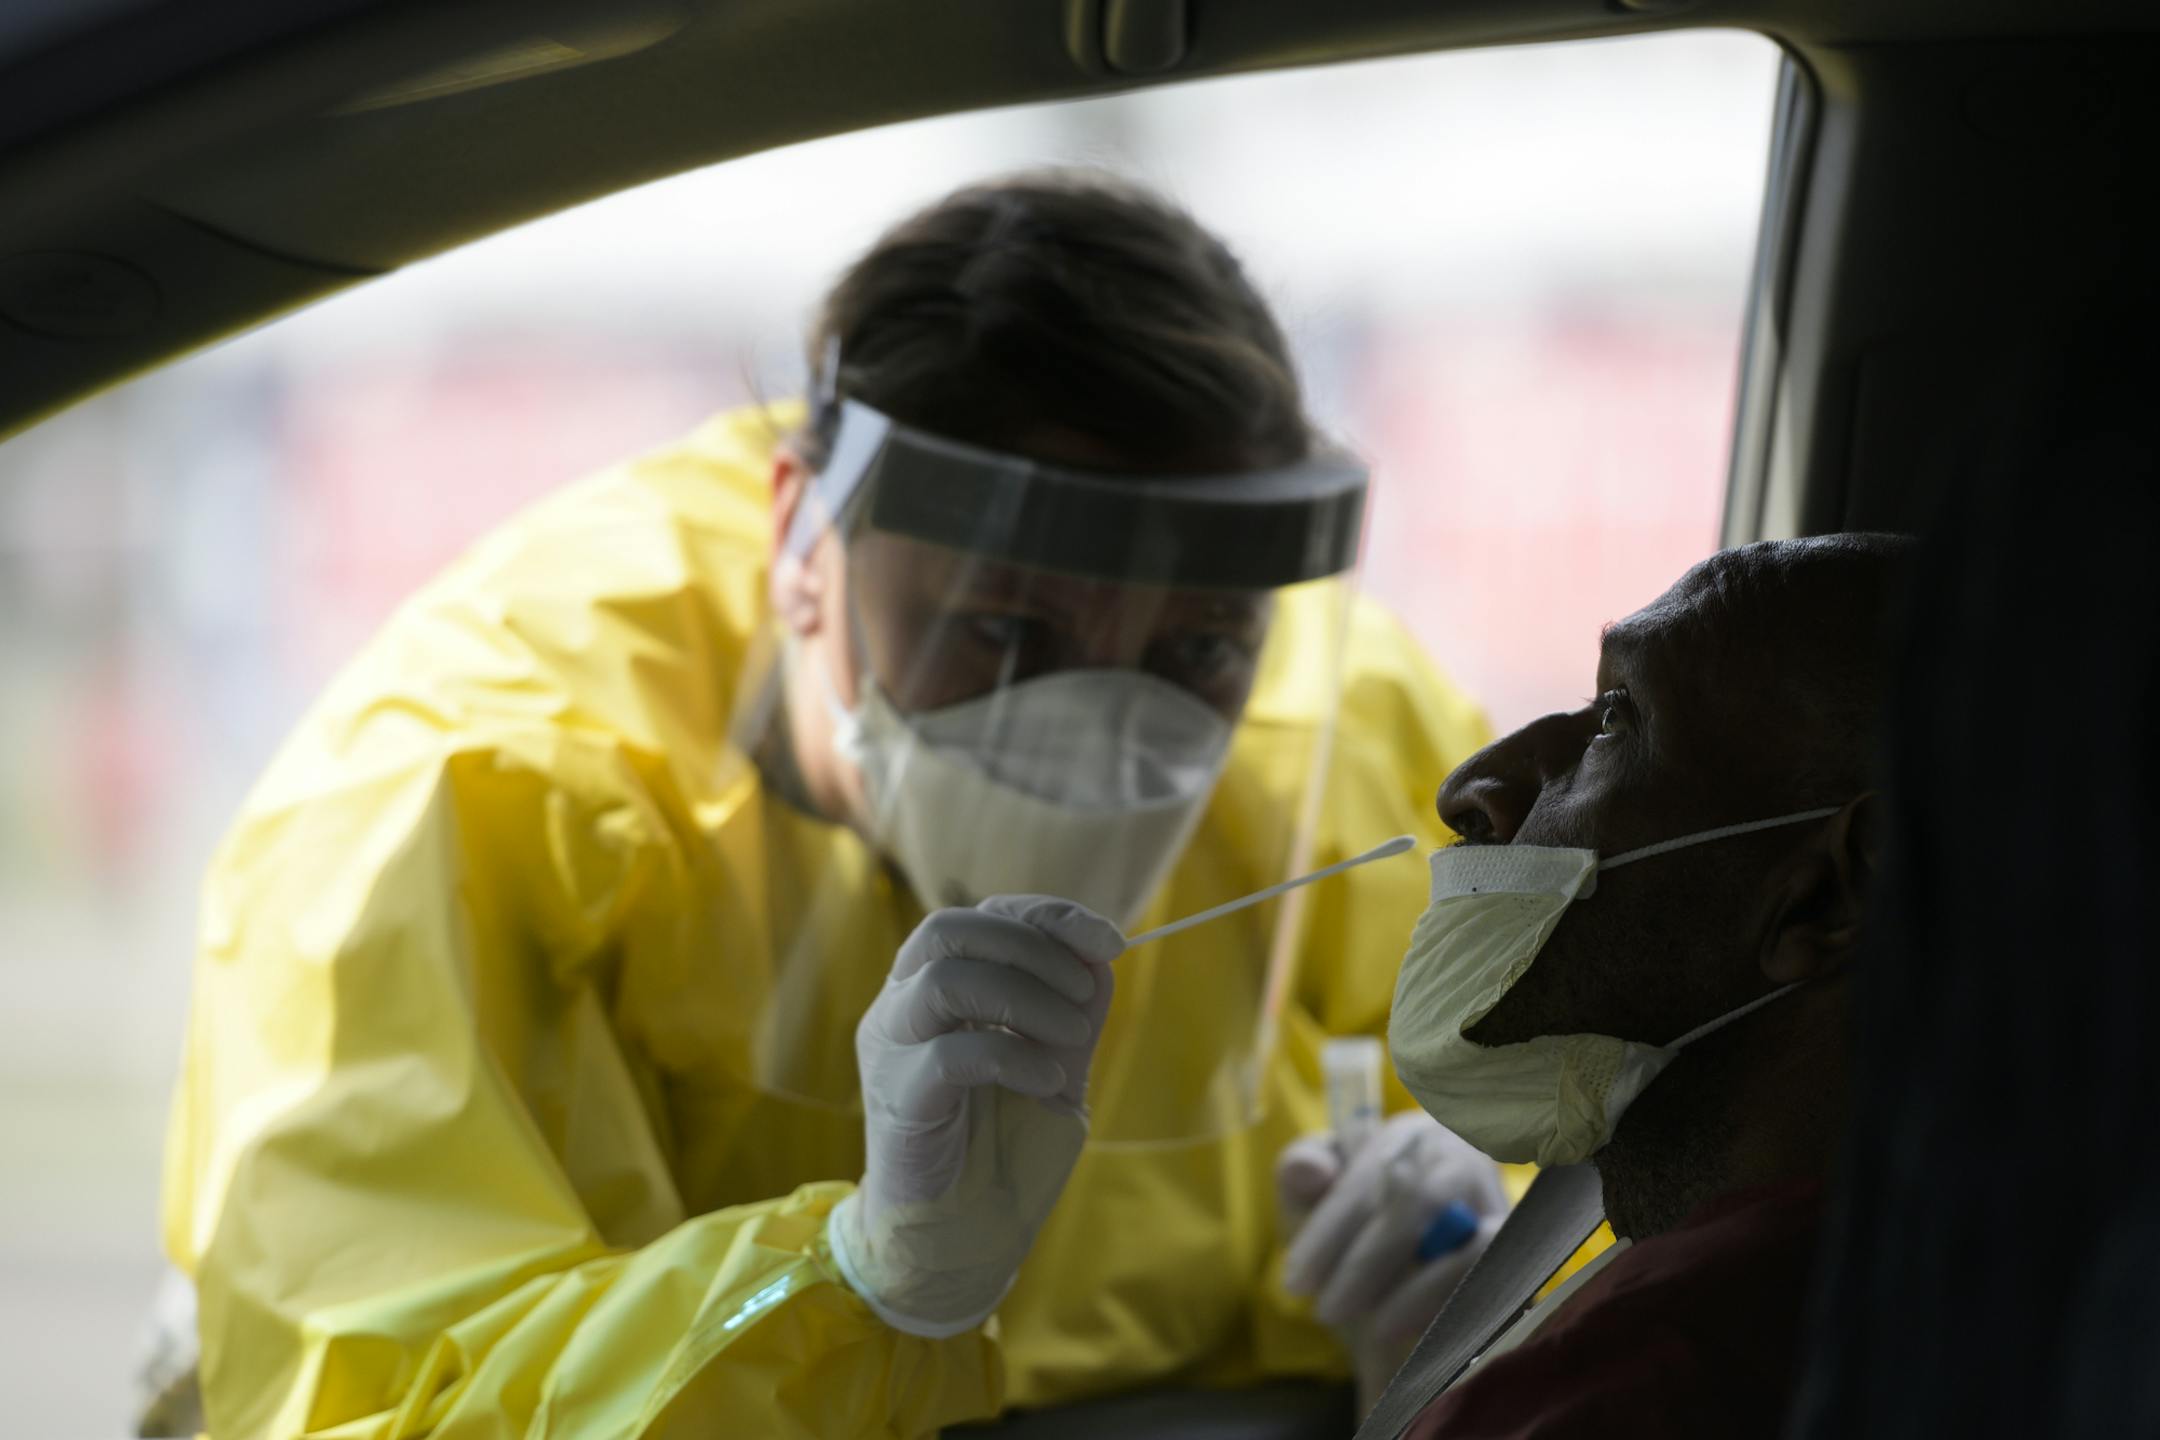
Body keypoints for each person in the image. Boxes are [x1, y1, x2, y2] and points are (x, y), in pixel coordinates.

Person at [154, 172, 1504, 1439]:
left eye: (1195, 652)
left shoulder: (1360, 744)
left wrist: (1473, 1317)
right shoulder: (460, 803)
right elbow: (386, 1398)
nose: (1104, 738)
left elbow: (1637, 1182)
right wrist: (858, 1279)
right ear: (806, 536)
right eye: (1005, 630)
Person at [1372, 533, 1911, 1438]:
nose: (1472, 788)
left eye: (1617, 720)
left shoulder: (1665, 1379)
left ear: (1822, 898)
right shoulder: (1929, 1268)